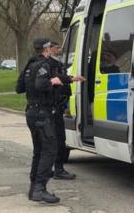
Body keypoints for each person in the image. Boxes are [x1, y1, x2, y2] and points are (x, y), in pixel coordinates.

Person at [16, 38, 62, 203]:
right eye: (50, 47)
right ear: (45, 49)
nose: (51, 49)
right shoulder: (43, 64)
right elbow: (41, 84)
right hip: (42, 113)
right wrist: (52, 81)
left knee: (39, 151)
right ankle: (40, 189)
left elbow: (19, 88)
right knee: (50, 150)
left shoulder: (30, 65)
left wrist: (69, 78)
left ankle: (33, 188)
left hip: (32, 112)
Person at [49, 41, 84, 180]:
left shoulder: (56, 62)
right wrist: (71, 79)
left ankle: (55, 168)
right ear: (49, 49)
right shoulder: (49, 64)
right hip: (54, 106)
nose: (60, 50)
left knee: (57, 138)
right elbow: (56, 80)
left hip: (59, 104)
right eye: (57, 48)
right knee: (58, 139)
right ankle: (58, 169)